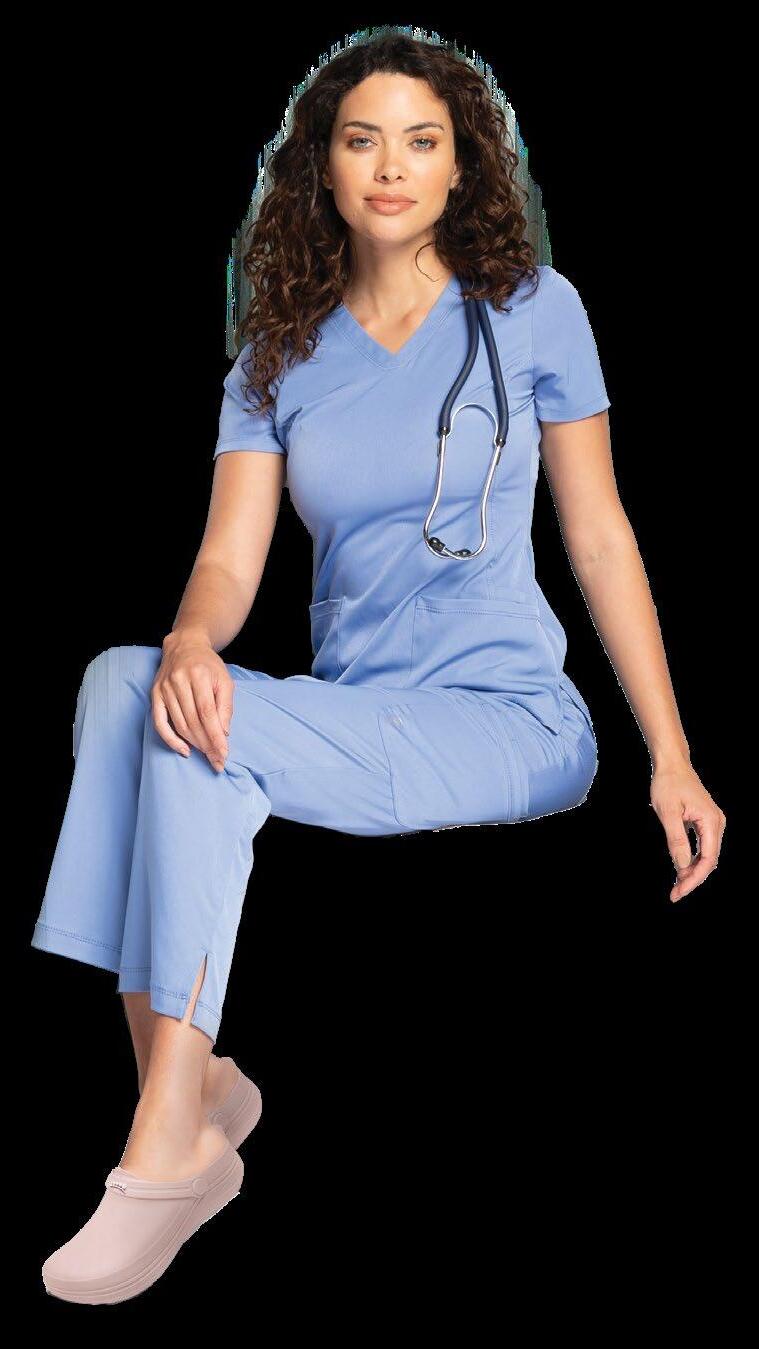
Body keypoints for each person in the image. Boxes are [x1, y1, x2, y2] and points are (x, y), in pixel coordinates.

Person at [32, 32, 726, 1303]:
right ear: (326, 167)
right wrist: (189, 638)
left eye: (422, 141)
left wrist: (672, 755)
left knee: (195, 728)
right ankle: (189, 1091)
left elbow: (599, 533)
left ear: (463, 168)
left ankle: (164, 1150)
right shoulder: (278, 351)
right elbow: (227, 562)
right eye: (363, 140)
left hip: (508, 717)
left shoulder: (534, 311)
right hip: (360, 711)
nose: (392, 166)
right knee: (125, 684)